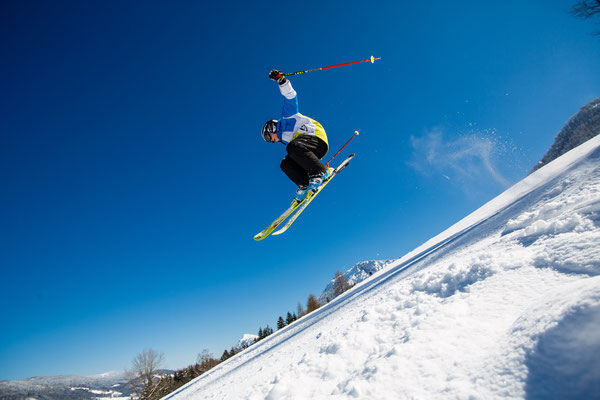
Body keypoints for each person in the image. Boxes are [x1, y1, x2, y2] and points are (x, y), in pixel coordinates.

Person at [262, 69, 332, 201]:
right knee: (285, 163)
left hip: (317, 139)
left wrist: (281, 81)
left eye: (268, 138)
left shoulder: (288, 117)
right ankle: (304, 183)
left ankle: (320, 171)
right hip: (308, 150)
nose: (271, 141)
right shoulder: (286, 138)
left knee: (292, 147)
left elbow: (290, 96)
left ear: (271, 128)